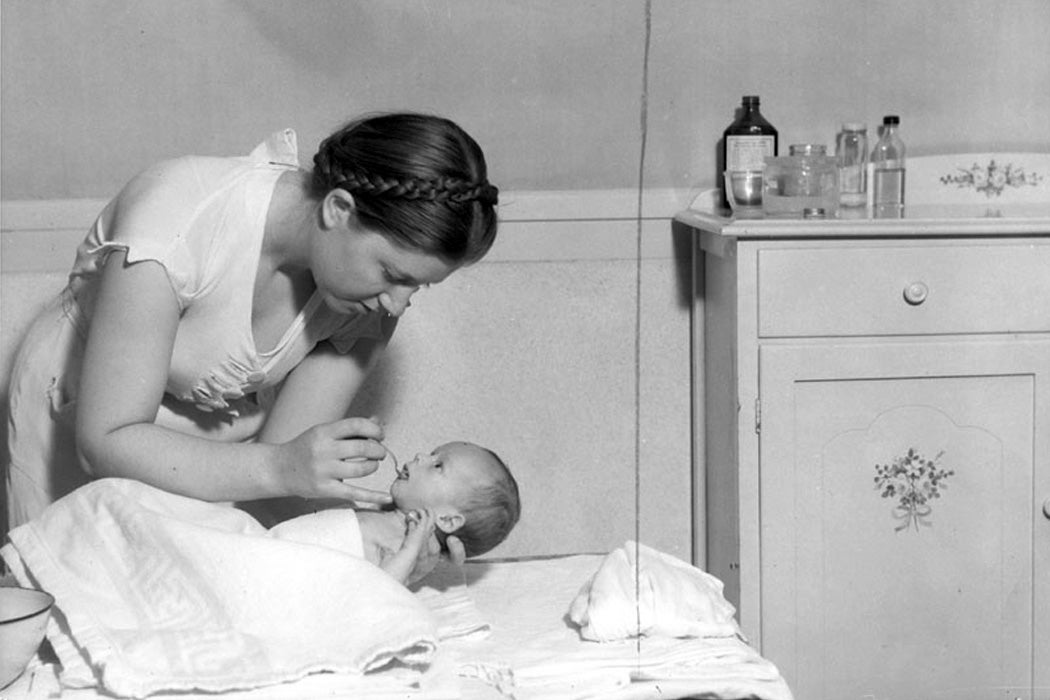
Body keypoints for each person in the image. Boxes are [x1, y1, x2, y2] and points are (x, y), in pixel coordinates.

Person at [4, 113, 499, 552]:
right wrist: (279, 467)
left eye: (417, 287)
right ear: (339, 209)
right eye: (393, 273)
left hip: (213, 456)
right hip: (77, 420)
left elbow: (286, 482)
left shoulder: (367, 300)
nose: (396, 304)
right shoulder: (176, 222)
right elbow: (105, 442)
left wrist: (392, 532)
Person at [269, 441, 521, 584]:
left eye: (437, 465)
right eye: (432, 453)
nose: (421, 455)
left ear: (447, 519)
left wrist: (410, 551)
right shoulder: (385, 517)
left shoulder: (404, 546)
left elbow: (381, 590)